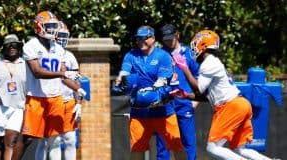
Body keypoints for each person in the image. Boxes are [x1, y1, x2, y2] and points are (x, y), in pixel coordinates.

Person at [172, 30, 273, 160]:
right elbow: (206, 96)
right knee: (240, 150)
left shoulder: (208, 62)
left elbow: (199, 90)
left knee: (213, 147)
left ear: (203, 45)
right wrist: (186, 95)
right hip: (240, 104)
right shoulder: (213, 61)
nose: (193, 49)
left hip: (230, 106)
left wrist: (184, 68)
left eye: (195, 44)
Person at [13, 11, 82, 160]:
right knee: (28, 138)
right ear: (38, 27)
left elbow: (65, 75)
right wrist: (61, 74)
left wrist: (78, 88)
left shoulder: (59, 49)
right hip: (36, 97)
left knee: (55, 139)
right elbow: (37, 71)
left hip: (55, 98)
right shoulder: (30, 46)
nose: (52, 29)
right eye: (49, 26)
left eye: (53, 26)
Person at [115, 25, 186, 160]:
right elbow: (124, 73)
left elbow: (162, 80)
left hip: (163, 111)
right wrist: (121, 81)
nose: (140, 41)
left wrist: (151, 92)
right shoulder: (131, 55)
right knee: (137, 148)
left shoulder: (163, 56)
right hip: (139, 111)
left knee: (176, 145)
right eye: (138, 39)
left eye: (143, 38)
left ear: (152, 38)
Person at [155, 24, 199, 160]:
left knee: (188, 143)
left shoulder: (189, 53)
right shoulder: (159, 54)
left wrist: (195, 101)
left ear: (177, 35)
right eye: (165, 39)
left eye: (171, 38)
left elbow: (199, 77)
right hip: (165, 105)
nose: (169, 41)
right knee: (163, 145)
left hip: (185, 103)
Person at [0, 34, 26, 160]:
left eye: (15, 45)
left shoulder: (26, 64)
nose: (11, 48)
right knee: (0, 142)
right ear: (3, 47)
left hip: (18, 107)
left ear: (19, 46)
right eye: (8, 45)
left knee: (11, 140)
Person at [56, 21, 82, 160]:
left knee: (70, 140)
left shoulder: (70, 57)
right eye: (59, 35)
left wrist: (78, 102)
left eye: (64, 35)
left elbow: (76, 80)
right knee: (52, 141)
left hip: (68, 101)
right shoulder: (47, 54)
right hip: (51, 101)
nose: (62, 39)